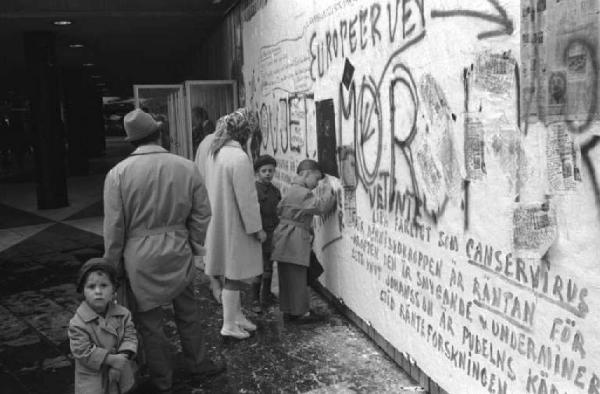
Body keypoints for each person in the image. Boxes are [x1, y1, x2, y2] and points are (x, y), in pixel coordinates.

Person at [103, 108, 224, 393]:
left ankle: (162, 380)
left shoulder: (117, 174)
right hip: (178, 248)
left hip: (138, 257)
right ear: (159, 133)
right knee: (188, 312)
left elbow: (114, 227)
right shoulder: (185, 166)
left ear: (131, 141)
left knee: (150, 323)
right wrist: (192, 241)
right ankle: (198, 364)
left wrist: (112, 265)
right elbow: (202, 213)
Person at [203, 108, 265, 340]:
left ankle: (236, 315)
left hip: (220, 221)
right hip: (236, 225)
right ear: (246, 132)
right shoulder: (239, 157)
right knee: (234, 275)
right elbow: (247, 199)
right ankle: (229, 323)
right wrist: (257, 229)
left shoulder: (216, 152)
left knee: (232, 274)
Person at [271, 159, 336, 324]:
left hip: (285, 237)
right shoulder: (302, 193)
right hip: (294, 238)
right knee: (298, 275)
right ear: (306, 174)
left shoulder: (293, 189)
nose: (316, 184)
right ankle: (300, 313)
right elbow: (321, 208)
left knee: (288, 276)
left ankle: (290, 310)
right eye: (316, 179)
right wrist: (330, 191)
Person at [68, 258, 138, 394]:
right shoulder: (78, 323)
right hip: (94, 381)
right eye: (91, 286)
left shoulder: (123, 314)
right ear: (83, 291)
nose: (98, 291)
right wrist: (110, 360)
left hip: (120, 374)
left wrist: (121, 361)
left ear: (113, 290)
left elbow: (130, 337)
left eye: (104, 285)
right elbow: (82, 351)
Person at [194, 115, 228, 305]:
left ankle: (212, 274)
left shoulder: (205, 141)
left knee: (209, 236)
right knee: (217, 239)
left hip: (205, 193)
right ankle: (217, 281)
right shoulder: (220, 144)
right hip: (216, 194)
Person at [251, 154, 281, 312]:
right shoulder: (253, 191)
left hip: (273, 233)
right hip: (260, 234)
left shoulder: (275, 191)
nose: (268, 173)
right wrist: (257, 230)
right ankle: (255, 300)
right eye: (264, 171)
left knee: (269, 266)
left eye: (271, 170)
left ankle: (266, 295)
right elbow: (252, 213)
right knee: (259, 269)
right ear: (257, 173)